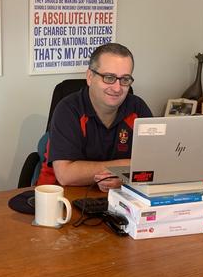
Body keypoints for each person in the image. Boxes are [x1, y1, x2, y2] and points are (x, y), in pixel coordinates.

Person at [37, 43, 152, 192]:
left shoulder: (137, 107)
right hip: (60, 198)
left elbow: (154, 163)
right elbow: (66, 175)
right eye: (109, 77)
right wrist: (124, 168)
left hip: (115, 199)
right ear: (90, 77)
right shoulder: (67, 109)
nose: (117, 88)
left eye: (125, 80)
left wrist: (125, 177)